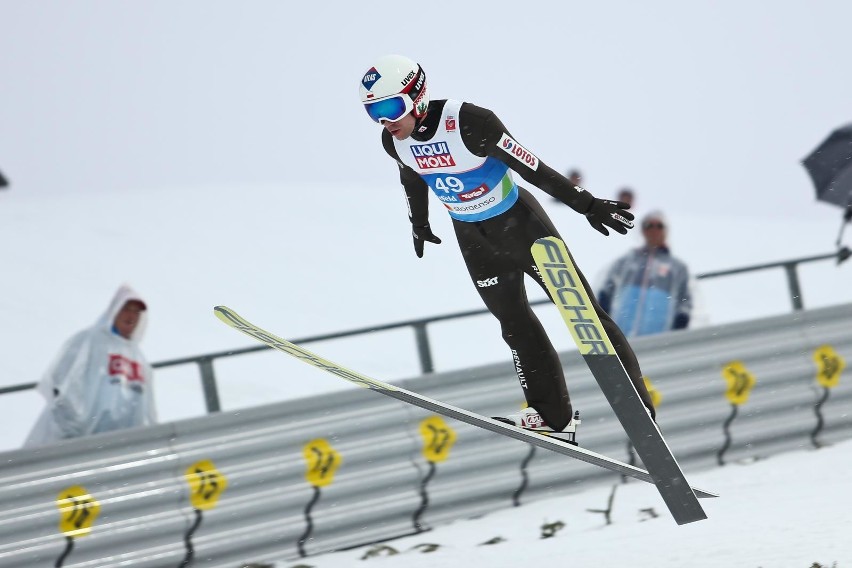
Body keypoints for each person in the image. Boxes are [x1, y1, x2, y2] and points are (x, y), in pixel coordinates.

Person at [358, 54, 655, 432]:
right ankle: (553, 417)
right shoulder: (393, 141)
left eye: (390, 107)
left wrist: (588, 204)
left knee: (580, 310)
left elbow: (531, 166)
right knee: (513, 325)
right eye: (374, 112)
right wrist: (419, 222)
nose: (386, 121)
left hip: (520, 225)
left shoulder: (469, 122)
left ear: (416, 96)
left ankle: (636, 403)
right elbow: (412, 177)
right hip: (473, 237)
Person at [24, 285, 156, 447]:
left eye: (137, 312)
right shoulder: (90, 341)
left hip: (123, 447)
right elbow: (60, 385)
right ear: (114, 311)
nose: (131, 316)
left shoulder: (139, 358)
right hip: (79, 443)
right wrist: (72, 431)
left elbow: (147, 408)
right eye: (127, 309)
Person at [597, 210, 692, 338]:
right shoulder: (627, 261)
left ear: (666, 231)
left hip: (658, 342)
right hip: (621, 339)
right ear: (642, 230)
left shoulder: (677, 268)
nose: (654, 230)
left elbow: (684, 304)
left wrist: (676, 333)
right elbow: (606, 291)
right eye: (648, 226)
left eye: (659, 226)